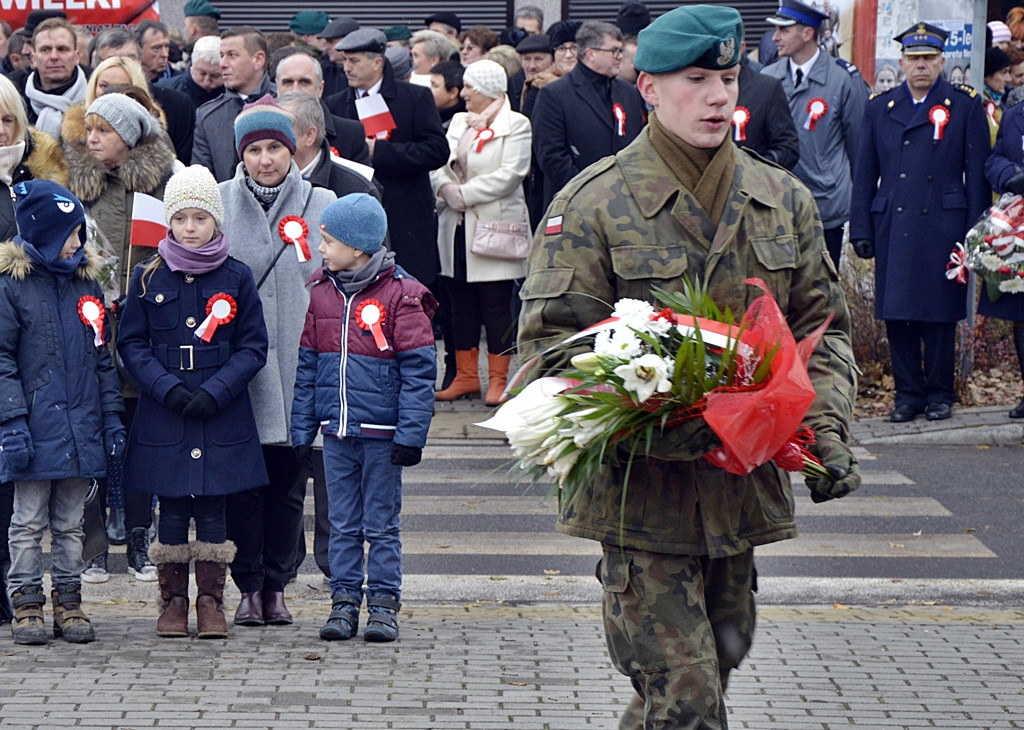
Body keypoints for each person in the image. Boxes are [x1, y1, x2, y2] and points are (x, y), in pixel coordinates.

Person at [518, 6, 858, 726]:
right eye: (695, 78)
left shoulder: (780, 199)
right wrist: (638, 420)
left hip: (739, 494)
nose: (716, 96)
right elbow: (547, 353)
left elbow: (820, 331)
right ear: (647, 87)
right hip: (641, 499)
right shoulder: (594, 203)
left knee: (709, 673)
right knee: (688, 695)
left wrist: (824, 428)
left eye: (728, 77)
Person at [116, 165, 268, 639]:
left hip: (219, 414)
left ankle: (210, 602)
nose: (189, 228)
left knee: (214, 509)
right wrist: (168, 389)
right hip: (168, 414)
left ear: (215, 222)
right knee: (174, 508)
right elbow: (132, 345)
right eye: (180, 218)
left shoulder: (236, 277)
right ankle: (173, 601)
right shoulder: (146, 276)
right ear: (168, 222)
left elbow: (252, 347)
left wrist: (216, 390)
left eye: (199, 218)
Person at [292, 193, 436, 643]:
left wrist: (411, 435)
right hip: (337, 433)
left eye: (328, 241)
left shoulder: (402, 296)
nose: (320, 249)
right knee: (341, 523)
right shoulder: (321, 293)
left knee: (382, 525)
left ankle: (384, 605)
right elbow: (308, 366)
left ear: (357, 248)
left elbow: (419, 372)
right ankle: (344, 602)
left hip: (382, 436)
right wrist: (302, 429)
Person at [218, 95, 335, 627]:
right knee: (244, 487)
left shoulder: (321, 201)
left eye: (275, 148)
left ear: (293, 149)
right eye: (255, 150)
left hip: (298, 368)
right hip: (241, 370)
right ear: (242, 155)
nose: (265, 160)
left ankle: (278, 586)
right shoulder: (219, 204)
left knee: (290, 485)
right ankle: (246, 586)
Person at [0, 179, 126, 645]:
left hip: (82, 427)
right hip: (32, 427)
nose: (81, 241)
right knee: (28, 521)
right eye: (73, 233)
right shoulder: (10, 287)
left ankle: (69, 603)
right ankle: (27, 603)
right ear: (48, 234)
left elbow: (100, 357)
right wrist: (11, 421)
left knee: (71, 523)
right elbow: (1, 358)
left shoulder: (84, 283)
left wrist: (111, 416)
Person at [850, 22, 990, 423]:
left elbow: (976, 174)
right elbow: (865, 173)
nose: (922, 66)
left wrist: (976, 234)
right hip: (893, 223)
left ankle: (940, 394)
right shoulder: (881, 107)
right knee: (899, 312)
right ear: (902, 62)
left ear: (942, 62)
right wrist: (861, 227)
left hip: (945, 223)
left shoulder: (963, 104)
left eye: (929, 58)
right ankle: (907, 395)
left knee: (939, 314)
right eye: (914, 59)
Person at [0, 73, 69, 626]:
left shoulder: (36, 184)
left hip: (21, 346)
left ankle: (16, 594)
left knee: (14, 488)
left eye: (6, 119)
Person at [431, 60, 531, 406]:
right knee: (459, 304)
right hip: (455, 227)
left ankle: (499, 380)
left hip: (493, 227)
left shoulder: (517, 124)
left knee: (496, 306)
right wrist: (445, 188)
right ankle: (466, 377)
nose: (465, 93)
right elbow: (438, 163)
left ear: (487, 88)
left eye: (470, 87)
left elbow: (512, 173)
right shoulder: (459, 122)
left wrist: (465, 194)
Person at [326, 28, 449, 288]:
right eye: (345, 60)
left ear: (378, 62)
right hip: (355, 218)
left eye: (354, 61)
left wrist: (380, 152)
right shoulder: (335, 104)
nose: (346, 68)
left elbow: (437, 150)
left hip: (407, 216)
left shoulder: (415, 97)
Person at [762, 0, 868, 267]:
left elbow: (859, 149)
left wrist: (860, 211)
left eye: (784, 30)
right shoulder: (769, 76)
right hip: (777, 203)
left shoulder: (844, 79)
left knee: (821, 291)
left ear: (807, 33)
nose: (775, 37)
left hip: (825, 205)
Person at [531, 21, 646, 211]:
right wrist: (591, 192)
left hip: (626, 204)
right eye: (614, 51)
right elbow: (551, 157)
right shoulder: (554, 94)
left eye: (621, 51)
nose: (620, 57)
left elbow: (639, 144)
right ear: (590, 53)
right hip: (575, 205)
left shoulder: (628, 92)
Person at [193, 26, 275, 183]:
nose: (222, 63)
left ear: (258, 59)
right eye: (221, 55)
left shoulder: (286, 107)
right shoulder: (208, 116)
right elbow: (201, 183)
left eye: (232, 55)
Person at [984, 96, 1024, 415]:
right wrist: (1009, 173)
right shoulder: (1013, 117)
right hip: (1019, 231)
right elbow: (993, 160)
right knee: (1021, 315)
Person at [736, 43, 800, 170]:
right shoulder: (695, 86)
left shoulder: (766, 87)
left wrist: (758, 167)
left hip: (755, 183)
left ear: (741, 48)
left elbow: (787, 148)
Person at [21, 18, 87, 138]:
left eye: (62, 49)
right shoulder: (15, 96)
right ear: (34, 59)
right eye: (45, 50)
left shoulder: (96, 93)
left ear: (77, 57)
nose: (54, 56)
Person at [158, 35, 223, 110]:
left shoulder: (235, 96)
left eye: (215, 76)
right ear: (192, 64)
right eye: (202, 73)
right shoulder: (164, 91)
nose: (206, 82)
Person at [984, 47, 1013, 144]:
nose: (1008, 79)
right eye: (1003, 72)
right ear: (986, 76)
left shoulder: (1006, 101)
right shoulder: (975, 105)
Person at [429, 60, 466, 129]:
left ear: (453, 92)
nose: (429, 90)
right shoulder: (428, 113)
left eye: (435, 86)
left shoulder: (462, 123)